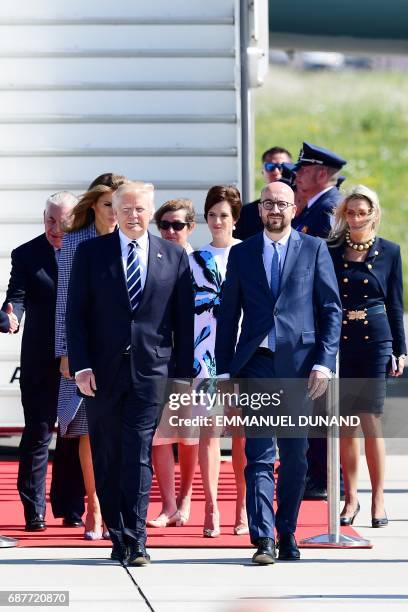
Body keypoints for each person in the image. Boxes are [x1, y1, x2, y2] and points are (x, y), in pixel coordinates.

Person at [66, 181, 194, 566]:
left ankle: (136, 539)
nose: (133, 216)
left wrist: (183, 376)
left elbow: (183, 322)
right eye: (126, 210)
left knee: (138, 452)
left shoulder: (173, 256)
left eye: (140, 210)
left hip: (151, 371)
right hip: (101, 373)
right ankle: (117, 536)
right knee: (107, 455)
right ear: (113, 212)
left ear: (150, 212)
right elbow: (77, 315)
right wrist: (81, 366)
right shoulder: (91, 253)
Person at [215, 181, 342, 563]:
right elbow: (227, 315)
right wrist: (223, 373)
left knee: (296, 455)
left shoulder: (314, 249)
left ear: (294, 209)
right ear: (259, 210)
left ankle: (287, 531)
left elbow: (331, 311)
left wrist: (324, 362)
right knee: (258, 453)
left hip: (300, 368)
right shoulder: (243, 253)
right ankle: (263, 539)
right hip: (256, 363)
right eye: (268, 202)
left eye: (282, 204)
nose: (274, 209)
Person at [1, 192, 85, 531]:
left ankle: (70, 507)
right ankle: (33, 511)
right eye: (50, 219)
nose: (55, 227)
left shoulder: (87, 250)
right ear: (43, 217)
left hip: (77, 360)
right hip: (38, 359)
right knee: (37, 433)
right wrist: (11, 316)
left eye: (63, 221)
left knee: (71, 434)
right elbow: (15, 297)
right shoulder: (26, 254)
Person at [328, 185, 406, 527]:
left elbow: (395, 302)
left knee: (370, 420)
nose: (357, 219)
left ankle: (378, 500)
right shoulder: (332, 250)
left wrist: (401, 350)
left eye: (363, 213)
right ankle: (351, 498)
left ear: (373, 214)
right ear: (344, 214)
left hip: (376, 340)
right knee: (346, 424)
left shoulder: (389, 251)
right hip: (343, 341)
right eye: (351, 212)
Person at [55, 173, 127, 539]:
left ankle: (123, 510)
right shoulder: (75, 242)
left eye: (119, 204)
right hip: (86, 350)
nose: (115, 212)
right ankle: (94, 507)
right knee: (87, 432)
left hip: (124, 352)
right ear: (94, 206)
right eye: (107, 204)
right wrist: (66, 351)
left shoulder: (131, 241)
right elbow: (65, 301)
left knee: (124, 433)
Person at [190, 185, 248, 537]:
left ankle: (242, 508)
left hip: (242, 351)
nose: (217, 221)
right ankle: (211, 507)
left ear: (235, 219)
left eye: (224, 215)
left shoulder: (250, 254)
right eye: (212, 215)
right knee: (208, 432)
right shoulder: (195, 259)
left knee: (242, 434)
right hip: (204, 352)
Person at [292, 141, 347, 500]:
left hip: (314, 319)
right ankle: (319, 474)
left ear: (322, 174)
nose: (296, 174)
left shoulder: (326, 210)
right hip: (305, 320)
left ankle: (327, 478)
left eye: (303, 168)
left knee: (319, 404)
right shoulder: (312, 209)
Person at [148, 198, 198, 527]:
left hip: (195, 357)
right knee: (160, 435)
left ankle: (186, 497)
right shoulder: (153, 258)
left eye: (177, 225)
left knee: (190, 434)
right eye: (164, 225)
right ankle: (167, 505)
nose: (169, 231)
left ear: (190, 227)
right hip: (160, 357)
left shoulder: (200, 260)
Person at [234, 147, 293, 240]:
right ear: (263, 171)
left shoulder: (304, 210)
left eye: (283, 166)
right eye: (270, 166)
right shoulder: (246, 214)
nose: (276, 171)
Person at [293, 141, 347, 238]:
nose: (298, 174)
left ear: (322, 175)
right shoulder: (316, 205)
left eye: (304, 170)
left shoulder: (330, 208)